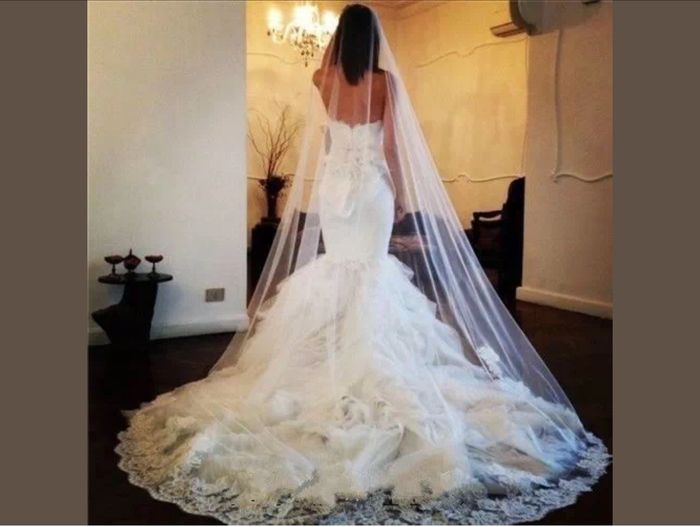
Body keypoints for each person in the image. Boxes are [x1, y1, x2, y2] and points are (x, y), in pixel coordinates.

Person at [117, 5, 608, 524]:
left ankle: (329, 360)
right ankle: (366, 361)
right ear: (373, 40)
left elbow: (330, 137)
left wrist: (344, 161)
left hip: (334, 188)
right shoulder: (384, 83)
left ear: (337, 37)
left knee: (340, 266)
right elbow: (392, 147)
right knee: (369, 268)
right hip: (370, 187)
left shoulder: (320, 77)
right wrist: (400, 196)